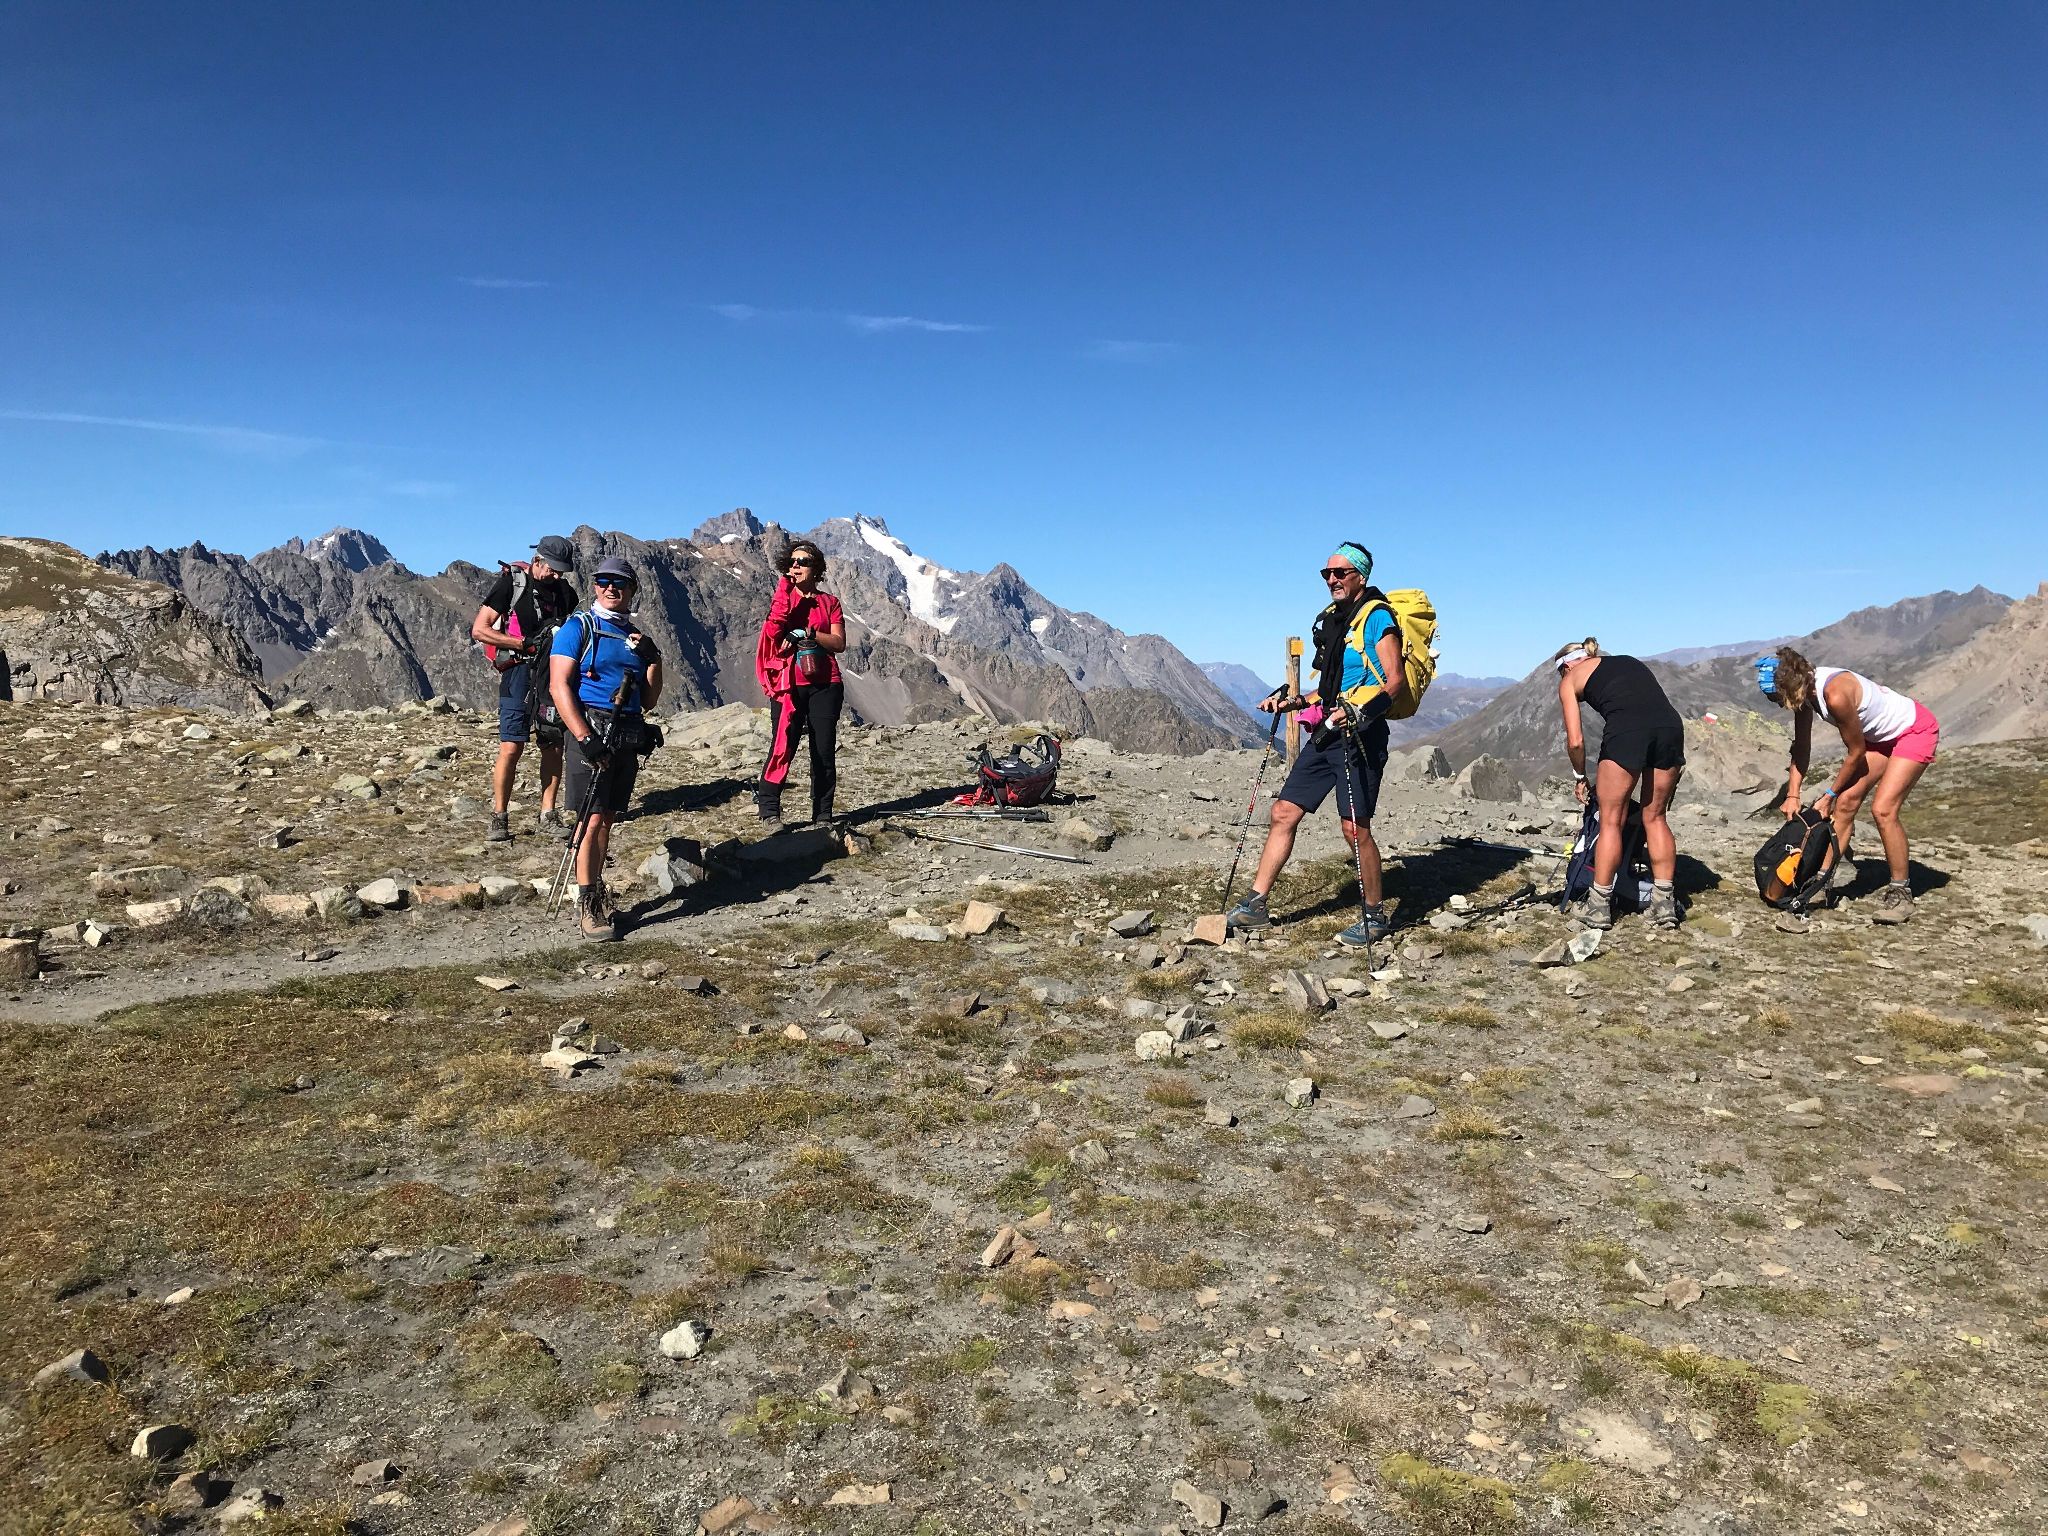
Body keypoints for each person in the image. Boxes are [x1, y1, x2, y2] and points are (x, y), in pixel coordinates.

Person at [1225, 543, 1405, 946]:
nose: (1332, 580)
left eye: (1340, 573)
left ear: (1361, 576)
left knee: (1354, 829)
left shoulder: (1378, 618)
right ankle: (1256, 904)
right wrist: (1293, 702)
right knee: (1283, 811)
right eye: (1327, 574)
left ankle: (1375, 916)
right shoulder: (1336, 622)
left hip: (1361, 735)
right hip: (1328, 731)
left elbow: (1396, 682)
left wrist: (1358, 712)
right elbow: (1328, 691)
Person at [1757, 647, 1937, 925]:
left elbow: (1856, 753)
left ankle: (1901, 893)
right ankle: (1821, 883)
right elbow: (1802, 747)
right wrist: (1793, 794)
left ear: (1789, 687)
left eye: (1777, 698)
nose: (1779, 704)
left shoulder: (1835, 695)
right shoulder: (1805, 692)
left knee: (1883, 809)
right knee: (1846, 805)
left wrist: (1829, 794)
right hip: (1880, 738)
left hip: (1914, 730)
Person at [549, 557, 662, 941]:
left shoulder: (634, 636)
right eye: (603, 581)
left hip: (624, 732)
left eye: (620, 583)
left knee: (607, 817)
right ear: (595, 586)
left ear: (632, 589)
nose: (611, 588)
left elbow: (648, 700)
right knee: (591, 819)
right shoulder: (578, 627)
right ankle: (589, 905)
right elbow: (559, 686)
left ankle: (595, 892)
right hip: (591, 729)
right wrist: (585, 738)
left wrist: (653, 660)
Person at [1552, 638, 1686, 930]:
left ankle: (1599, 907)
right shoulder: (1627, 661)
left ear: (1567, 666)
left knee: (1611, 821)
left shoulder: (1570, 679)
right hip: (1671, 728)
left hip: (1627, 731)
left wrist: (1580, 777)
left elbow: (1575, 742)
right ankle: (1664, 905)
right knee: (1656, 817)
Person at [471, 535, 579, 843]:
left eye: (561, 571)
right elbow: (480, 629)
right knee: (511, 746)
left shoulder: (565, 593)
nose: (557, 576)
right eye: (553, 569)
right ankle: (499, 817)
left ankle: (548, 814)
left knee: (553, 744)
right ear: (537, 561)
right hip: (517, 672)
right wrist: (522, 644)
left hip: (551, 675)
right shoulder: (512, 584)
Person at [754, 539, 847, 824]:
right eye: (792, 562)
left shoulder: (829, 603)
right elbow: (773, 630)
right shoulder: (783, 600)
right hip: (788, 685)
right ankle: (769, 811)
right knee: (782, 745)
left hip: (826, 683)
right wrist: (784, 588)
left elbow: (839, 643)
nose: (796, 566)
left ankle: (823, 814)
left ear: (815, 568)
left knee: (823, 750)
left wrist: (809, 633)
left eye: (803, 561)